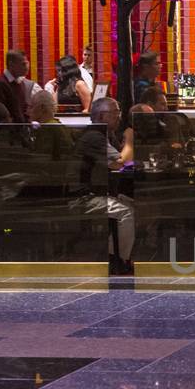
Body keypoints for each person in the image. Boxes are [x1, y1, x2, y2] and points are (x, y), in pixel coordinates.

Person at [76, 97, 136, 268]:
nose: (119, 117)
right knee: (127, 212)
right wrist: (130, 140)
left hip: (103, 192)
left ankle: (122, 253)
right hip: (85, 197)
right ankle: (114, 259)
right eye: (115, 113)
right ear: (102, 116)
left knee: (141, 206)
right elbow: (120, 162)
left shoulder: (106, 134)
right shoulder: (94, 137)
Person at [0, 50, 31, 124]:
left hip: (20, 131)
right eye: (23, 64)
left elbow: (23, 109)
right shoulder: (0, 84)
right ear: (11, 64)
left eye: (27, 63)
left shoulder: (20, 83)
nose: (27, 67)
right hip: (7, 132)